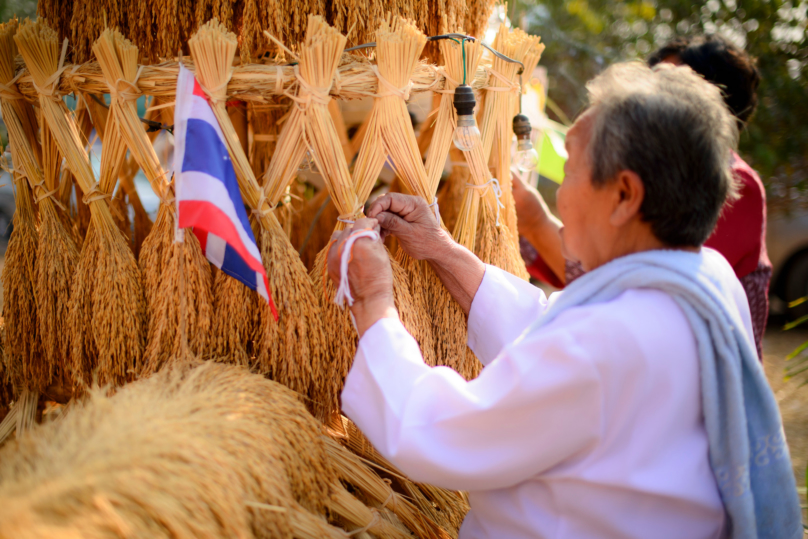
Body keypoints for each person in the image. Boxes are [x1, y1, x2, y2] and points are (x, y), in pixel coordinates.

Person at [327, 63, 801, 539]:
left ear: (624, 195)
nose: (557, 193)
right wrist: (444, 252)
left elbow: (441, 433)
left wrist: (372, 300)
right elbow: (550, 332)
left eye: (571, 170)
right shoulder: (707, 281)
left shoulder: (608, 342)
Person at [516, 34, 771, 358]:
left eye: (666, 86)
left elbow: (616, 282)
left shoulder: (734, 186)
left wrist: (537, 223)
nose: (643, 97)